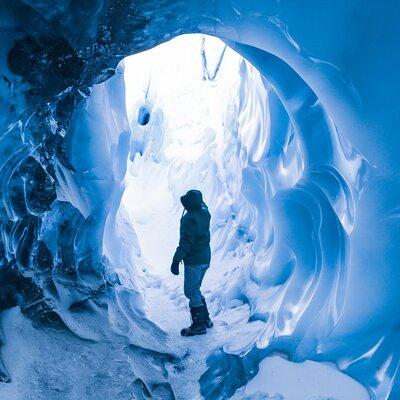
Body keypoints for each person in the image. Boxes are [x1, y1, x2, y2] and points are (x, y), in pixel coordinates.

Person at [170, 189, 213, 336]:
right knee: (196, 288)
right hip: (206, 258)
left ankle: (198, 326)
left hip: (194, 260)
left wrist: (176, 260)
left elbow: (186, 243)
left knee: (190, 291)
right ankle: (206, 319)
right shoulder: (205, 212)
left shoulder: (189, 219)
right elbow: (202, 203)